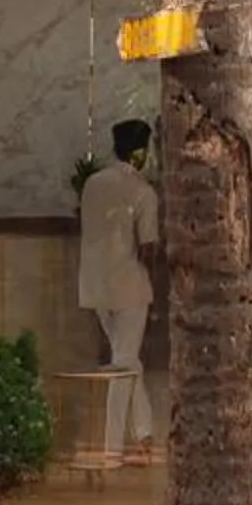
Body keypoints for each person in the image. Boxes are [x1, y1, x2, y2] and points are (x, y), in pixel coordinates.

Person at [78, 118, 160, 458]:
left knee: (125, 359)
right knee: (124, 365)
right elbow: (149, 246)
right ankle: (111, 448)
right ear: (141, 152)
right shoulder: (143, 191)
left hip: (95, 287)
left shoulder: (92, 184)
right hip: (129, 287)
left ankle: (143, 435)